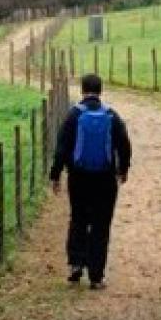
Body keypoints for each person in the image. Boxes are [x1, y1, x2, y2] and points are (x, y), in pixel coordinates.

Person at [50, 73, 132, 289]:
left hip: (78, 177)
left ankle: (75, 264)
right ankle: (96, 276)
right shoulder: (112, 116)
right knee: (100, 225)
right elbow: (124, 144)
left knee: (78, 218)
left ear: (83, 90)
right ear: (100, 91)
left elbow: (62, 147)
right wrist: (123, 169)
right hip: (105, 178)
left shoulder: (73, 115)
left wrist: (55, 174)